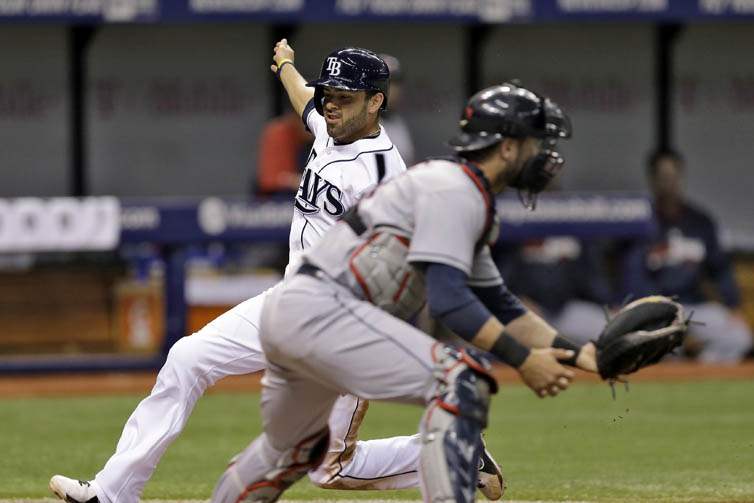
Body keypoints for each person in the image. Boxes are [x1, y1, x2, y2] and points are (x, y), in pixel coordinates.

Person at [49, 42, 503, 503]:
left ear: (376, 101)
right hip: (288, 301)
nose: (331, 105)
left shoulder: (384, 173)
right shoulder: (329, 126)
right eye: (331, 95)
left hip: (342, 327)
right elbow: (304, 96)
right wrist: (286, 63)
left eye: (344, 97)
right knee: (187, 359)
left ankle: (455, 451)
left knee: (331, 470)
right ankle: (113, 492)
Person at [209, 82, 602, 503]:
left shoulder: (452, 188)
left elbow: (499, 302)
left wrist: (585, 356)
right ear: (507, 148)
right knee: (460, 385)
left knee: (290, 455)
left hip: (294, 314)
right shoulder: (455, 192)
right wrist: (525, 361)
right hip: (331, 316)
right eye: (533, 143)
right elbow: (450, 301)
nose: (541, 154)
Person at [621, 149, 752, 362]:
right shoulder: (642, 223)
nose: (668, 183)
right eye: (663, 177)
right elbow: (634, 273)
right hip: (658, 309)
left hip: (695, 306)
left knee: (739, 337)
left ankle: (702, 373)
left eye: (673, 176)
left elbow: (720, 268)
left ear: (681, 176)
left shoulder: (700, 222)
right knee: (657, 346)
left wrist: (732, 306)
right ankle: (674, 370)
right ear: (652, 179)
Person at [495, 237, 614, 345]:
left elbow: (592, 281)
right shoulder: (516, 232)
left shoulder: (578, 233)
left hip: (568, 310)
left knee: (612, 332)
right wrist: (517, 301)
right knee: (491, 333)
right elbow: (499, 284)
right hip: (526, 311)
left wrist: (610, 304)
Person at [378, 53, 416, 166]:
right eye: (388, 83)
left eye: (397, 83)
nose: (395, 90)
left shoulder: (397, 122)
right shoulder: (360, 126)